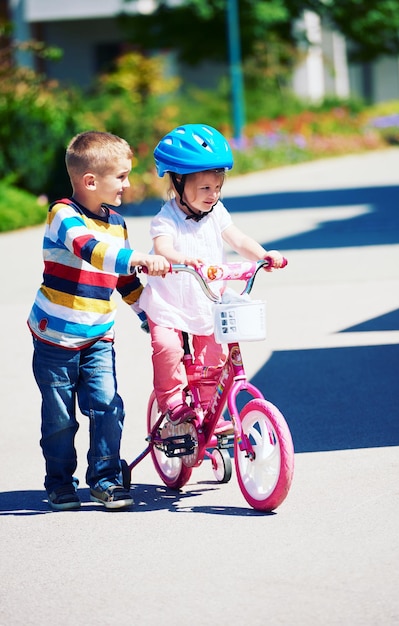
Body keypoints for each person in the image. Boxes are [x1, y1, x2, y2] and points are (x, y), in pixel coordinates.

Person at [28, 130, 170, 511]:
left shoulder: (117, 223)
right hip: (55, 336)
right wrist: (139, 257)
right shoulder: (62, 214)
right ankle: (59, 482)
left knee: (108, 405)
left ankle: (105, 479)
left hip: (98, 336)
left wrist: (149, 315)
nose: (127, 183)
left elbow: (122, 280)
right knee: (60, 419)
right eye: (121, 176)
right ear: (90, 181)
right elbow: (90, 251)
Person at [139, 123, 287, 428]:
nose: (213, 194)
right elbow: (162, 247)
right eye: (205, 188)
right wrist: (182, 259)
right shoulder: (166, 218)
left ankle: (209, 412)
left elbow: (238, 239)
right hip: (169, 303)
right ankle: (173, 402)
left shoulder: (217, 212)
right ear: (178, 181)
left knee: (214, 358)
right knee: (167, 348)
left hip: (206, 301)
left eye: (218, 187)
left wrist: (263, 255)